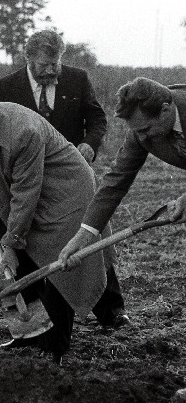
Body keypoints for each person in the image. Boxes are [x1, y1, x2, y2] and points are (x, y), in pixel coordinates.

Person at [0, 96, 107, 362]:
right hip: (35, 194)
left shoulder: (23, 132)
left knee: (59, 266)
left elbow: (25, 193)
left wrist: (10, 243)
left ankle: (55, 345)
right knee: (23, 262)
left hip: (66, 194)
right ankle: (30, 334)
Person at [0, 28, 129, 329]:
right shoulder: (8, 87)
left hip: (73, 180)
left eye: (56, 63)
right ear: (28, 58)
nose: (52, 70)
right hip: (28, 182)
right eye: (44, 65)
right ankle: (46, 319)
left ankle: (111, 310)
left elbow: (96, 120)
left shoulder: (77, 79)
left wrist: (89, 145)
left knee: (92, 235)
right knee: (33, 244)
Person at [59, 77, 186, 267]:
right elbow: (115, 182)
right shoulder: (139, 133)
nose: (142, 137)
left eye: (146, 129)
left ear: (166, 110)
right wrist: (83, 236)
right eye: (137, 131)